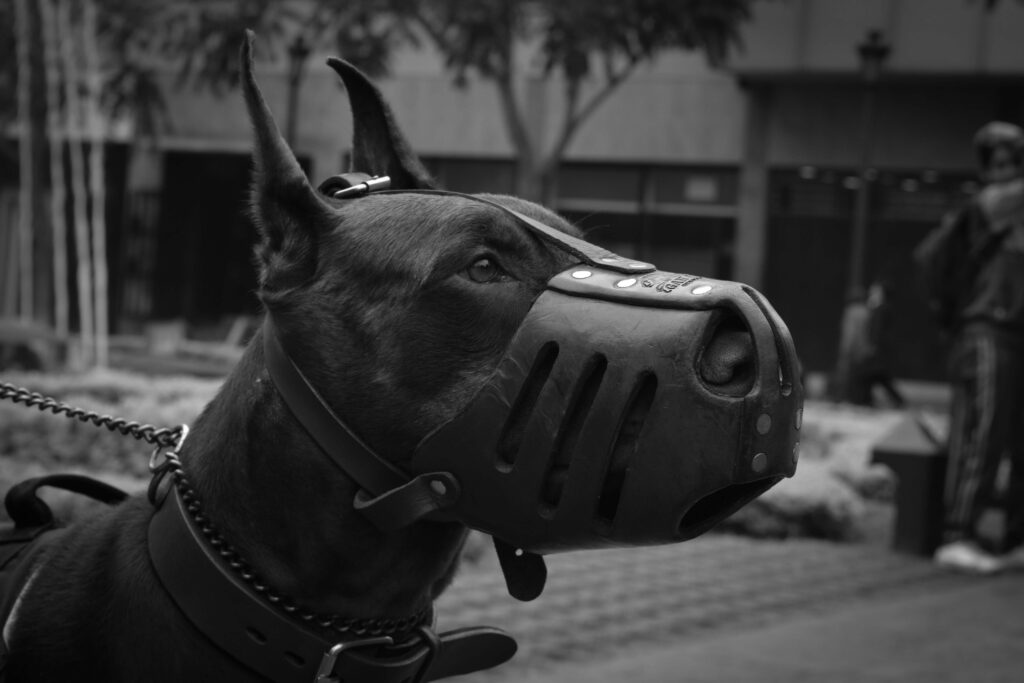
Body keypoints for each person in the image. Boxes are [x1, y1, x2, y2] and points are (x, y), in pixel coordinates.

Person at [915, 121, 1024, 574]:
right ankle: (958, 534)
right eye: (998, 163)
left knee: (1013, 436)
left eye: (1014, 162)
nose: (1006, 172)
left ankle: (1014, 538)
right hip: (987, 331)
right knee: (984, 432)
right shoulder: (992, 205)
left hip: (1014, 333)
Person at [833, 280, 906, 408]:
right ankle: (867, 400)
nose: (871, 294)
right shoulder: (872, 310)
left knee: (867, 376)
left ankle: (861, 400)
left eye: (875, 291)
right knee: (876, 377)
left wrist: (871, 346)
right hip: (874, 352)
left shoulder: (879, 310)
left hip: (873, 352)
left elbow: (872, 332)